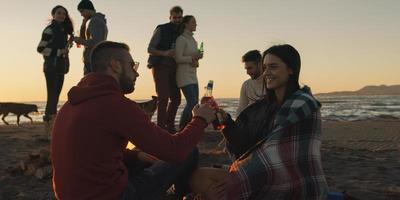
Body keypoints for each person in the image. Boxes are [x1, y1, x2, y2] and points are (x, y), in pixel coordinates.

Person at [51, 41, 216, 200]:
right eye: (133, 66)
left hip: (70, 195)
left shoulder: (71, 104)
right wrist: (200, 119)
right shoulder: (115, 104)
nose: (136, 73)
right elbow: (176, 151)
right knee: (189, 152)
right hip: (114, 196)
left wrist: (136, 156)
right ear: (115, 65)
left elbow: (92, 150)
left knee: (142, 154)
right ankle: (180, 195)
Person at [189, 44, 328, 199]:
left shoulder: (302, 104)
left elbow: (275, 154)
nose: (266, 73)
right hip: (263, 170)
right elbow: (248, 145)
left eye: (273, 67)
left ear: (291, 69)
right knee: (199, 177)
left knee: (216, 189)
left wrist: (241, 174)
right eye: (265, 67)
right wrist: (226, 123)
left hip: (292, 180)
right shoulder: (266, 106)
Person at [147, 6, 183, 133]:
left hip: (175, 67)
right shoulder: (161, 28)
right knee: (163, 97)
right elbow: (150, 49)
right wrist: (165, 53)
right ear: (170, 17)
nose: (177, 20)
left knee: (176, 98)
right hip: (160, 65)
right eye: (175, 17)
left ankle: (170, 125)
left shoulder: (182, 32)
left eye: (179, 17)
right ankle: (161, 128)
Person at [37, 5, 74, 123]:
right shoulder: (50, 30)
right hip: (51, 67)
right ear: (53, 15)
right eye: (59, 13)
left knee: (56, 96)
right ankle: (48, 124)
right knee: (52, 96)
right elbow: (40, 49)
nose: (62, 15)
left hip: (60, 67)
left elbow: (61, 49)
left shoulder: (63, 31)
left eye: (64, 14)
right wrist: (59, 51)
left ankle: (52, 123)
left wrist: (68, 44)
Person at [175, 15, 203, 130]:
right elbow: (177, 58)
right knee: (191, 102)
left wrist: (197, 60)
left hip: (193, 75)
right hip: (183, 76)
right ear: (186, 24)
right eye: (193, 22)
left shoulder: (193, 40)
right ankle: (182, 128)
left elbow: (193, 59)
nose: (196, 24)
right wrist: (192, 58)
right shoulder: (181, 39)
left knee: (195, 103)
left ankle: (189, 128)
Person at [73, 0, 108, 75]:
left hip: (93, 60)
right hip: (92, 60)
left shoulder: (95, 21)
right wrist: (83, 25)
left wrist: (79, 40)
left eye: (82, 11)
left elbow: (96, 42)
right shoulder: (96, 20)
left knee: (91, 84)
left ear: (88, 9)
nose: (81, 14)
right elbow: (86, 40)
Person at [236, 50, 266, 116]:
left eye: (250, 68)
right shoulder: (246, 85)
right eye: (246, 69)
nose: (247, 72)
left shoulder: (271, 82)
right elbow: (241, 109)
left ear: (260, 64)